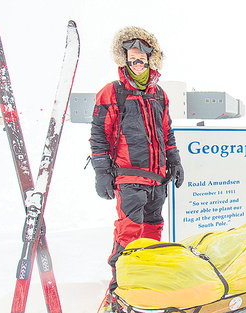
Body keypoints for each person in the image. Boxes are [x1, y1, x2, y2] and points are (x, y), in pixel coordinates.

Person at [90, 26, 184, 310]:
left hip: (158, 179)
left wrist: (175, 160)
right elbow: (98, 135)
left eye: (141, 59)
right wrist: (102, 172)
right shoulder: (112, 92)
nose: (136, 64)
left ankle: (145, 286)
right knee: (129, 234)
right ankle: (117, 295)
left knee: (152, 232)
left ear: (150, 59)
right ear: (124, 61)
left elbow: (166, 132)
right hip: (129, 177)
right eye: (131, 60)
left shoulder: (159, 94)